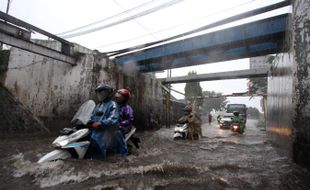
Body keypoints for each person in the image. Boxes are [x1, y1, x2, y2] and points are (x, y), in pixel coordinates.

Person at [86, 84, 128, 160]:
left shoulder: (113, 104)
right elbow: (92, 115)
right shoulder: (98, 105)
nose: (100, 95)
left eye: (102, 93)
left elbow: (113, 118)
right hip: (96, 130)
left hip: (108, 130)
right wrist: (88, 121)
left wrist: (101, 123)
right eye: (98, 93)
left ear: (108, 94)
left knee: (102, 150)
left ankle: (121, 157)